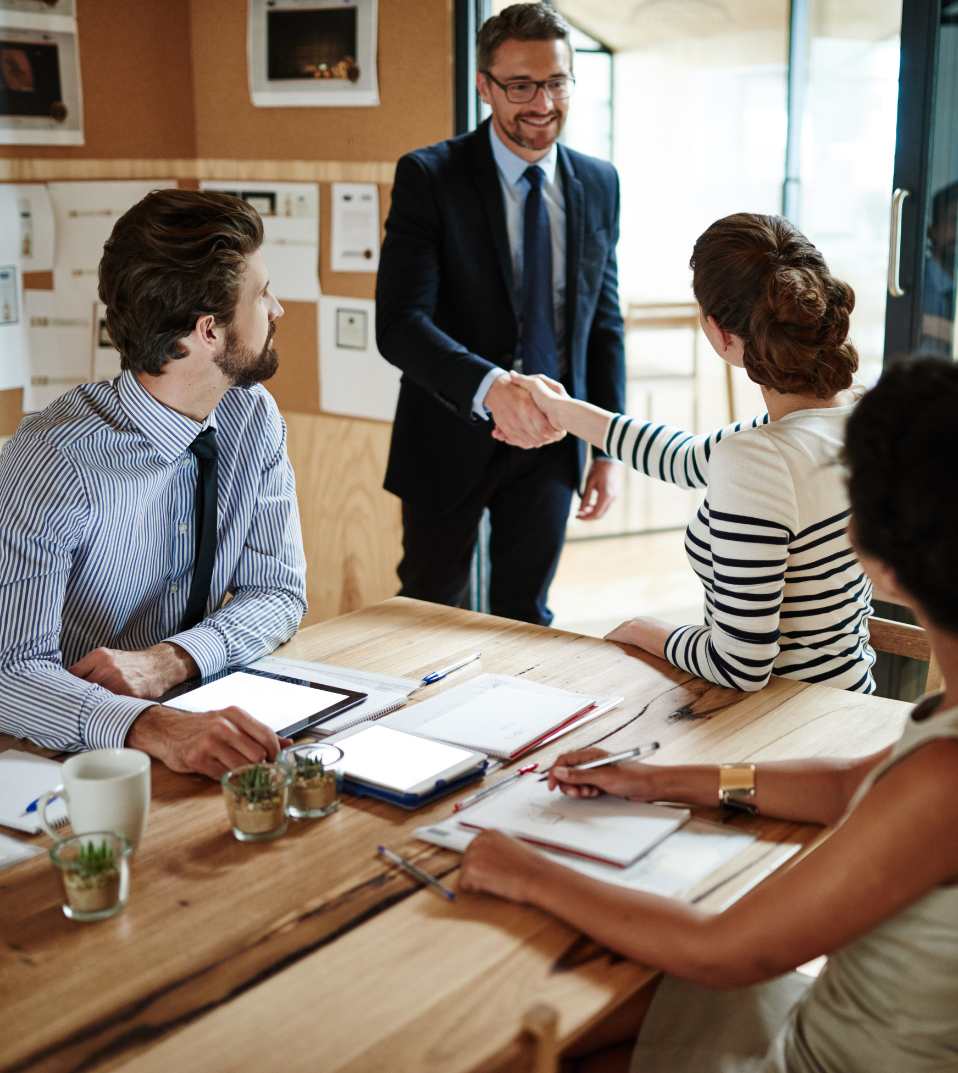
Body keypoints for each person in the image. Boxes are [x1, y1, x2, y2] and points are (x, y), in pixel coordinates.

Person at [460, 357, 958, 1073]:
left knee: (516, 1047)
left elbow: (728, 952)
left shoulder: (954, 777)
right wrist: (658, 779)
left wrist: (525, 869)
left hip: (835, 1064)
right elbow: (856, 787)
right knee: (586, 1006)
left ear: (880, 558)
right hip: (882, 1031)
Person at [0, 189, 306, 779]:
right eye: (262, 293)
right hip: (65, 760)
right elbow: (11, 673)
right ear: (207, 331)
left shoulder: (253, 417)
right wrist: (151, 726)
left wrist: (173, 660)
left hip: (198, 722)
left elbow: (279, 593)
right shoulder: (54, 461)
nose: (277, 309)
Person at [511, 213, 873, 692]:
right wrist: (561, 410)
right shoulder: (861, 416)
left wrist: (643, 629)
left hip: (787, 729)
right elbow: (686, 457)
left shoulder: (759, 460)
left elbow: (740, 666)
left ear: (719, 332)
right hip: (852, 703)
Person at [376, 3, 625, 626]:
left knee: (525, 615)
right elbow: (400, 323)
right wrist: (495, 390)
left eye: (557, 82)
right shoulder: (429, 176)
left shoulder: (600, 182)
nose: (541, 103)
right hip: (448, 432)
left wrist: (605, 448)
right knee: (430, 610)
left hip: (552, 439)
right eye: (520, 85)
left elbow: (603, 323)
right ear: (485, 85)